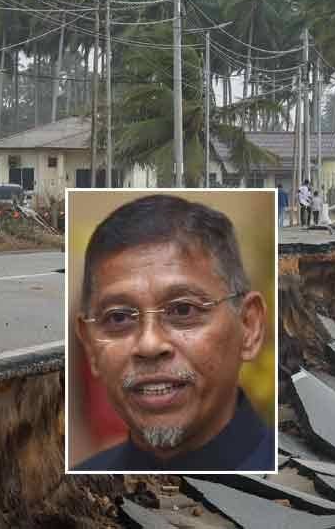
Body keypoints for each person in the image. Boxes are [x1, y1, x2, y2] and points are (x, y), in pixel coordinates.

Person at [73, 194, 273, 471]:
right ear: (91, 347)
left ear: (249, 326)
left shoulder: (309, 489)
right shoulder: (70, 497)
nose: (149, 344)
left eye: (182, 311)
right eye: (118, 317)